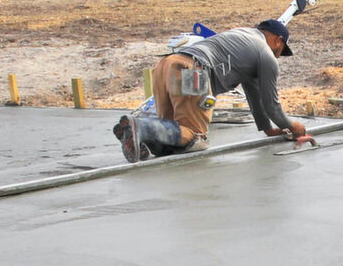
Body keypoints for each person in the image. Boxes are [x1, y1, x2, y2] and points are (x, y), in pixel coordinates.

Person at [113, 17, 307, 162]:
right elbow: (271, 105)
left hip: (166, 65)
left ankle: (141, 140)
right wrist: (292, 125)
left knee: (173, 129)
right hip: (192, 72)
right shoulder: (266, 54)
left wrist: (268, 129)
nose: (278, 55)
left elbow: (255, 95)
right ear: (278, 40)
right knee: (195, 136)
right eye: (281, 50)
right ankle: (141, 127)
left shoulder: (243, 38)